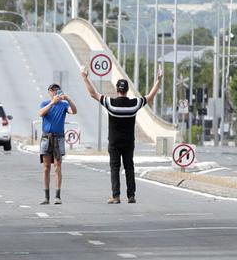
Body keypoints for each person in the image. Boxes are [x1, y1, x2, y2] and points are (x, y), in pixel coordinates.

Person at [80, 66, 162, 204]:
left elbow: (93, 94)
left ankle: (116, 196)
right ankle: (131, 195)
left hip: (114, 142)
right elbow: (150, 96)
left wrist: (84, 77)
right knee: (129, 167)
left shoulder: (111, 103)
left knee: (115, 168)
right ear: (127, 90)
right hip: (129, 141)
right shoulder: (134, 104)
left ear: (117, 90)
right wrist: (158, 81)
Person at [38, 83, 77, 205]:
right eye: (52, 90)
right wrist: (52, 103)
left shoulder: (64, 105)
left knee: (58, 166)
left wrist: (68, 99)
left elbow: (74, 111)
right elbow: (41, 113)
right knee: (46, 167)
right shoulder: (45, 103)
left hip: (59, 137)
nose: (55, 92)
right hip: (46, 137)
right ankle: (46, 196)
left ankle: (57, 195)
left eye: (57, 90)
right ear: (49, 92)